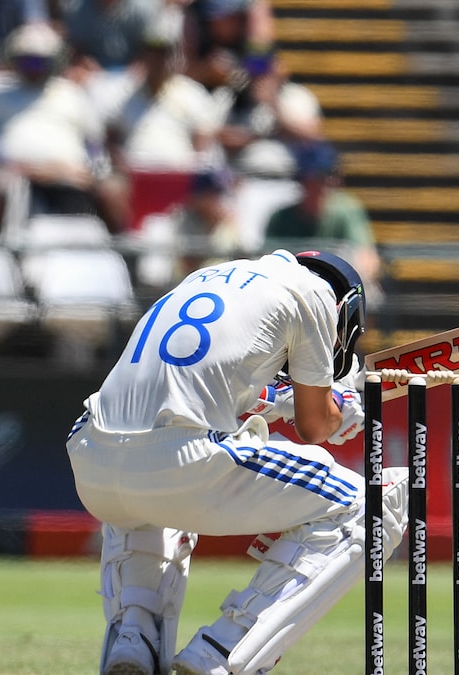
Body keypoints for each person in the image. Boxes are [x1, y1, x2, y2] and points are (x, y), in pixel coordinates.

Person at [65, 249, 409, 675]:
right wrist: (342, 406)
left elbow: (218, 388)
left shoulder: (206, 279)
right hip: (184, 462)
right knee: (371, 507)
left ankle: (135, 637)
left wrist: (296, 402)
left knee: (151, 490)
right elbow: (316, 426)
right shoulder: (316, 294)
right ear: (346, 309)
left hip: (91, 457)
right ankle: (221, 652)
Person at [0, 21, 106, 224]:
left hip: (68, 175)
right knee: (0, 187)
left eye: (39, 62)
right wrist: (12, 163)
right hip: (16, 174)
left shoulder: (71, 93)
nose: (33, 68)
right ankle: (7, 251)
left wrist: (86, 168)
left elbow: (93, 142)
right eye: (27, 61)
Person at [98, 18, 227, 231]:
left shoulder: (192, 93)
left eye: (164, 52)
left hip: (182, 179)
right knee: (109, 191)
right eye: (153, 51)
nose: (158, 59)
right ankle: (127, 255)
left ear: (174, 56)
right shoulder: (121, 94)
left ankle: (224, 253)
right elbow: (110, 142)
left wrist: (187, 171)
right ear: (143, 54)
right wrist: (123, 166)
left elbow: (203, 144)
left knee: (214, 202)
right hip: (135, 177)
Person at [264, 142, 382, 298]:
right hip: (294, 289)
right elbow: (266, 263)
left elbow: (367, 258)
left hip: (338, 285)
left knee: (369, 292)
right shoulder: (280, 217)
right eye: (315, 178)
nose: (324, 184)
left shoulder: (346, 209)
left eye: (328, 176)